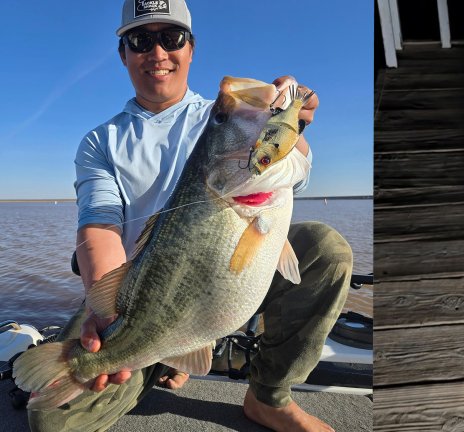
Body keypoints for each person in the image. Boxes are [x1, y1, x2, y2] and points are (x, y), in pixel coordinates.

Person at [28, 1, 351, 431]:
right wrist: (109, 319)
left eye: (171, 38)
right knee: (51, 420)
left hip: (227, 288)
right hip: (144, 304)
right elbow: (100, 226)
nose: (157, 52)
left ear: (191, 49)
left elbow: (292, 166)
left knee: (325, 250)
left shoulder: (218, 116)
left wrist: (294, 121)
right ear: (123, 55)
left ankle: (267, 397)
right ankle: (168, 356)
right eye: (141, 40)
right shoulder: (101, 141)